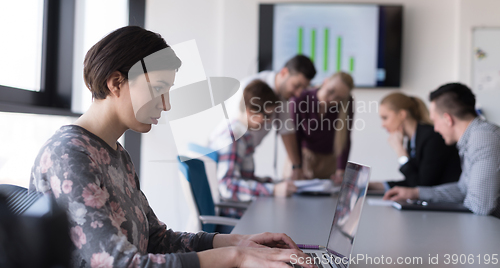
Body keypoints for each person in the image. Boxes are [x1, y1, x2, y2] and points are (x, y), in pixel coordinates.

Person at [29, 26, 315, 268]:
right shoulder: (69, 156)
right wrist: (236, 257)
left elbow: (156, 238)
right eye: (159, 89)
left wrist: (235, 241)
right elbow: (120, 263)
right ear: (116, 82)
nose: (166, 105)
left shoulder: (116, 154)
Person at [384, 83, 500, 218]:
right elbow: (462, 189)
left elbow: (480, 206)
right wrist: (416, 193)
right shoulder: (471, 139)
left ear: (448, 119)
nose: (435, 129)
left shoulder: (482, 139)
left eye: (435, 121)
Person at [209, 80, 297, 217]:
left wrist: (273, 183)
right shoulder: (233, 138)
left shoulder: (245, 136)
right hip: (235, 215)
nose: (269, 121)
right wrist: (272, 190)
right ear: (251, 111)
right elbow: (228, 186)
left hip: (244, 211)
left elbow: (244, 178)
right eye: (266, 116)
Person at [230, 55, 317, 180]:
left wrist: (297, 168)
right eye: (297, 85)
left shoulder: (284, 96)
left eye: (303, 89)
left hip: (245, 157)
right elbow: (234, 129)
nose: (298, 93)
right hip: (232, 154)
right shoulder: (251, 89)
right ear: (284, 72)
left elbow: (287, 130)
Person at [369, 92, 461, 191]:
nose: (382, 125)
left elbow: (421, 186)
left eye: (385, 118)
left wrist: (401, 153)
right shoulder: (413, 140)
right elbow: (412, 180)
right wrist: (378, 186)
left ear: (402, 114)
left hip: (446, 203)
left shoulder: (432, 137)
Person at [289, 72, 354, 183]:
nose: (332, 98)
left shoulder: (347, 104)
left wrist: (341, 171)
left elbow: (344, 139)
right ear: (325, 82)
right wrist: (297, 167)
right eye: (330, 91)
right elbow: (295, 137)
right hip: (302, 158)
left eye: (338, 98)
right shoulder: (301, 99)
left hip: (329, 163)